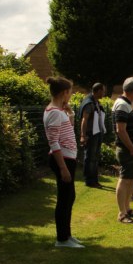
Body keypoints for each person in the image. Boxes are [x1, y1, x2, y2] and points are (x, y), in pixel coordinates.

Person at [43, 76, 83, 248]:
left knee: (69, 197)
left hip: (68, 158)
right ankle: (62, 239)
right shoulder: (53, 113)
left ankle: (67, 234)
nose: (71, 95)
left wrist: (70, 114)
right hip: (63, 159)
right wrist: (63, 168)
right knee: (64, 199)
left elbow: (67, 131)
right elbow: (53, 142)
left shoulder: (59, 112)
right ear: (64, 93)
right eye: (70, 92)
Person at [112, 77, 133, 223]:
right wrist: (131, 148)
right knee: (125, 179)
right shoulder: (121, 105)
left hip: (132, 149)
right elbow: (120, 130)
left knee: (131, 179)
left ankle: (127, 208)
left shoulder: (126, 104)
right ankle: (122, 213)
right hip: (127, 150)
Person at [78, 82, 106, 187]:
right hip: (91, 134)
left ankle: (94, 180)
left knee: (95, 157)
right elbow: (84, 120)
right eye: (103, 91)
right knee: (90, 157)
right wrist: (82, 135)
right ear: (98, 91)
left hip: (97, 133)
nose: (104, 93)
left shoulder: (96, 102)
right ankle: (89, 181)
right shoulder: (89, 103)